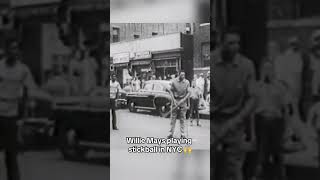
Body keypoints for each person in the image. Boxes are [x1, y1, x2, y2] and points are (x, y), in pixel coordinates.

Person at [0, 39, 52, 180]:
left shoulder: (22, 70)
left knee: (11, 153)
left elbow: (32, 88)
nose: (13, 51)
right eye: (11, 48)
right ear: (5, 50)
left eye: (16, 49)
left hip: (11, 113)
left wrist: (47, 97)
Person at [212, 28, 257, 180]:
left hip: (235, 121)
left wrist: (235, 122)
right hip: (211, 122)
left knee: (234, 170)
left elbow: (252, 99)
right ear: (221, 43)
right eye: (230, 43)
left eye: (238, 43)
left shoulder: (246, 65)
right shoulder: (209, 62)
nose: (235, 47)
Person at [253, 61, 289, 180]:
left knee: (278, 153)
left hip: (276, 122)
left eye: (269, 69)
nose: (267, 72)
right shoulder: (257, 87)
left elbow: (286, 109)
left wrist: (286, 130)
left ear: (273, 70)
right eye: (265, 69)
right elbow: (252, 111)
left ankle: (281, 176)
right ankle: (258, 175)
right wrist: (252, 133)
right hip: (261, 121)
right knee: (261, 152)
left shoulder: (280, 87)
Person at [167, 70, 190, 139]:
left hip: (183, 101)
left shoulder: (187, 82)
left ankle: (183, 134)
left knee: (182, 118)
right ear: (178, 75)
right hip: (175, 100)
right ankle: (171, 133)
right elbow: (170, 91)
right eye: (181, 75)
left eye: (184, 75)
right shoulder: (174, 81)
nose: (183, 76)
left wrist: (184, 100)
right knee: (173, 118)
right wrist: (173, 100)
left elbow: (189, 92)